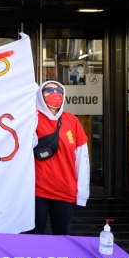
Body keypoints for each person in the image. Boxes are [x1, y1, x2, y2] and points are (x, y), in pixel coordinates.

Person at [30, 80, 90, 235]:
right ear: (40, 94)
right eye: (48, 90)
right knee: (33, 236)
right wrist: (30, 118)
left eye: (59, 91)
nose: (55, 94)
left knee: (62, 236)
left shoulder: (72, 121)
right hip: (36, 191)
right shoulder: (32, 118)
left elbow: (82, 160)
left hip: (65, 190)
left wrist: (82, 193)